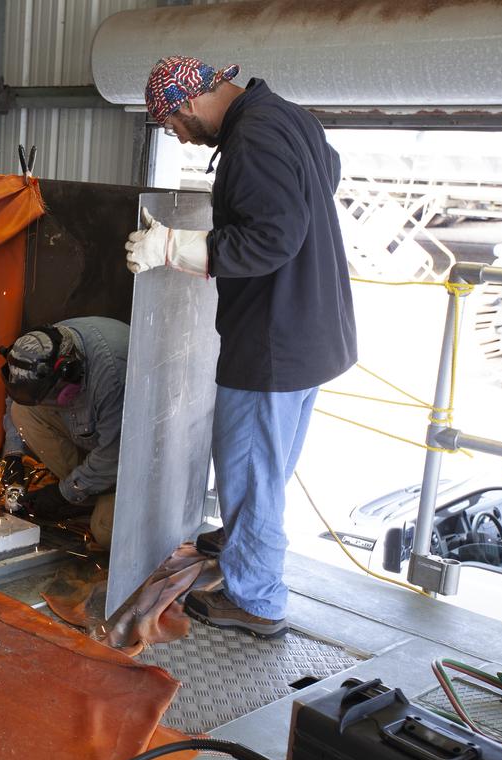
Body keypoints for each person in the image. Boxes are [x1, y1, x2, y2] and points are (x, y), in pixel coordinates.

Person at [125, 56, 357, 639]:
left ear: (188, 103)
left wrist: (172, 247)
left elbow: (271, 239)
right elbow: (325, 173)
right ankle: (246, 539)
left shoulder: (252, 137)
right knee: (264, 468)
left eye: (174, 126)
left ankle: (256, 599)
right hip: (311, 329)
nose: (180, 138)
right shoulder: (287, 116)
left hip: (272, 341)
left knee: (250, 470)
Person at [0, 317, 129, 549]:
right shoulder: (42, 349)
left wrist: (62, 494)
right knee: (22, 410)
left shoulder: (113, 377)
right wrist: (13, 455)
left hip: (133, 463)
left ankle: (92, 493)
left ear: (68, 373)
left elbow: (113, 456)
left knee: (107, 532)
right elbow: (16, 401)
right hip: (101, 442)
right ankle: (86, 493)